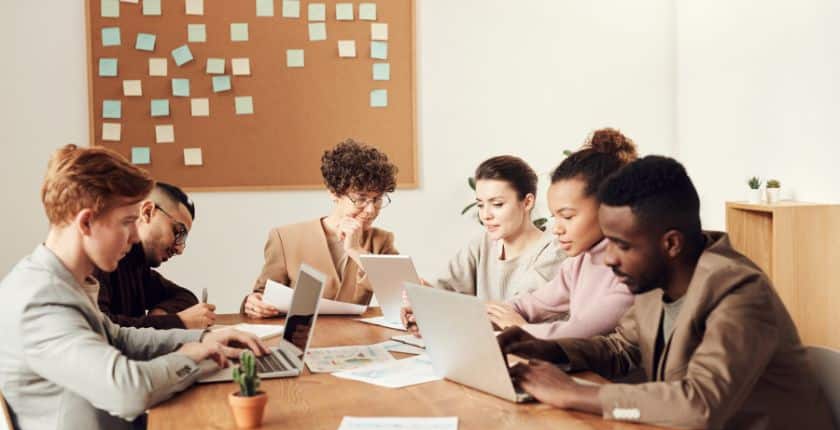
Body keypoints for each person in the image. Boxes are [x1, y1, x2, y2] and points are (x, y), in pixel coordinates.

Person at [500, 156, 840, 430]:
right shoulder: (655, 279)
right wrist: (551, 349)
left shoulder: (740, 292)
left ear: (671, 243)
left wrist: (575, 394)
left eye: (621, 244)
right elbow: (621, 348)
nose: (608, 258)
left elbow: (699, 404)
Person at [0, 145, 267, 430]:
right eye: (127, 222)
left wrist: (205, 337)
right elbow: (127, 391)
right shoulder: (40, 301)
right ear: (86, 223)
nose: (135, 236)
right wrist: (190, 358)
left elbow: (120, 336)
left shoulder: (66, 280)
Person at [485, 128, 637, 339]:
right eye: (554, 217)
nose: (557, 228)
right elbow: (531, 304)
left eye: (567, 216)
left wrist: (520, 328)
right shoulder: (580, 262)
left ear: (610, 207)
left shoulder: (634, 270)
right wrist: (479, 316)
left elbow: (576, 332)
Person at [400, 155, 565, 334]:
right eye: (480, 205)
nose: (486, 215)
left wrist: (437, 306)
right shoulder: (482, 243)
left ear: (527, 202)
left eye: (497, 204)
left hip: (529, 354)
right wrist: (421, 301)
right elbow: (442, 289)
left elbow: (511, 313)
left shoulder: (555, 251)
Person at [243, 139, 399, 318]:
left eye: (377, 199)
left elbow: (401, 296)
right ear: (334, 192)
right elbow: (262, 294)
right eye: (361, 199)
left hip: (357, 339)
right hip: (303, 338)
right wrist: (253, 302)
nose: (371, 210)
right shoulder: (285, 238)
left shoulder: (381, 241)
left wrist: (356, 250)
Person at [95, 182, 216, 329]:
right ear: (147, 212)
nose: (179, 249)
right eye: (178, 232)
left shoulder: (138, 266)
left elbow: (186, 297)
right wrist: (177, 321)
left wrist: (162, 314)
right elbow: (103, 329)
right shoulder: (99, 259)